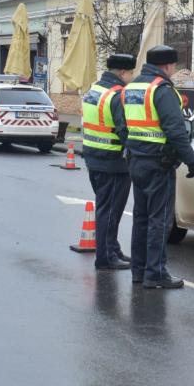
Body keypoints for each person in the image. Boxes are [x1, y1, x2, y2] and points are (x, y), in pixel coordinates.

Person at [124, 45, 194, 289]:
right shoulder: (162, 90)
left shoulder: (132, 87)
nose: (174, 70)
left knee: (141, 218)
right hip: (159, 162)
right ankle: (155, 273)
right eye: (173, 66)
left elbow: (123, 124)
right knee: (160, 219)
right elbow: (175, 129)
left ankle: (139, 270)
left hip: (136, 159)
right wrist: (190, 158)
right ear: (167, 65)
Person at [82, 54, 136, 270]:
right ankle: (105, 256)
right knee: (110, 210)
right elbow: (124, 130)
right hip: (113, 162)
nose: (131, 77)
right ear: (123, 72)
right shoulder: (117, 95)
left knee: (106, 207)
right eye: (131, 73)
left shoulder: (94, 91)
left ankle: (112, 248)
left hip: (93, 157)